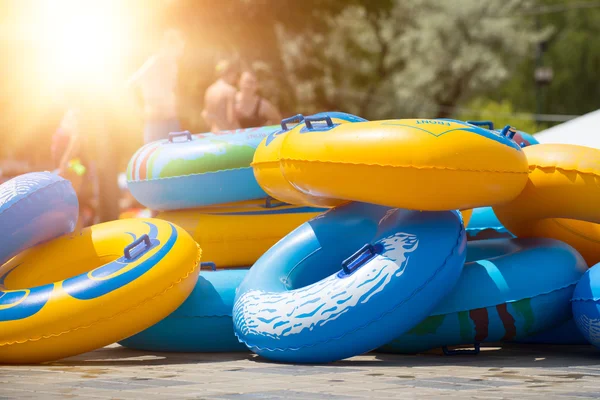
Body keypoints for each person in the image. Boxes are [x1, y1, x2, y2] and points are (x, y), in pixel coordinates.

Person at [128, 29, 185, 144]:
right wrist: (139, 112)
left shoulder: (173, 65)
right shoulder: (153, 63)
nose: (181, 52)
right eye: (180, 47)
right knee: (155, 159)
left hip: (172, 121)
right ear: (169, 46)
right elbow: (130, 86)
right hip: (156, 124)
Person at [202, 59, 240, 132]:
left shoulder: (210, 90)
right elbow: (231, 118)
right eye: (235, 74)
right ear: (230, 73)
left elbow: (205, 115)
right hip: (229, 134)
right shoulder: (230, 90)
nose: (235, 77)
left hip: (214, 132)